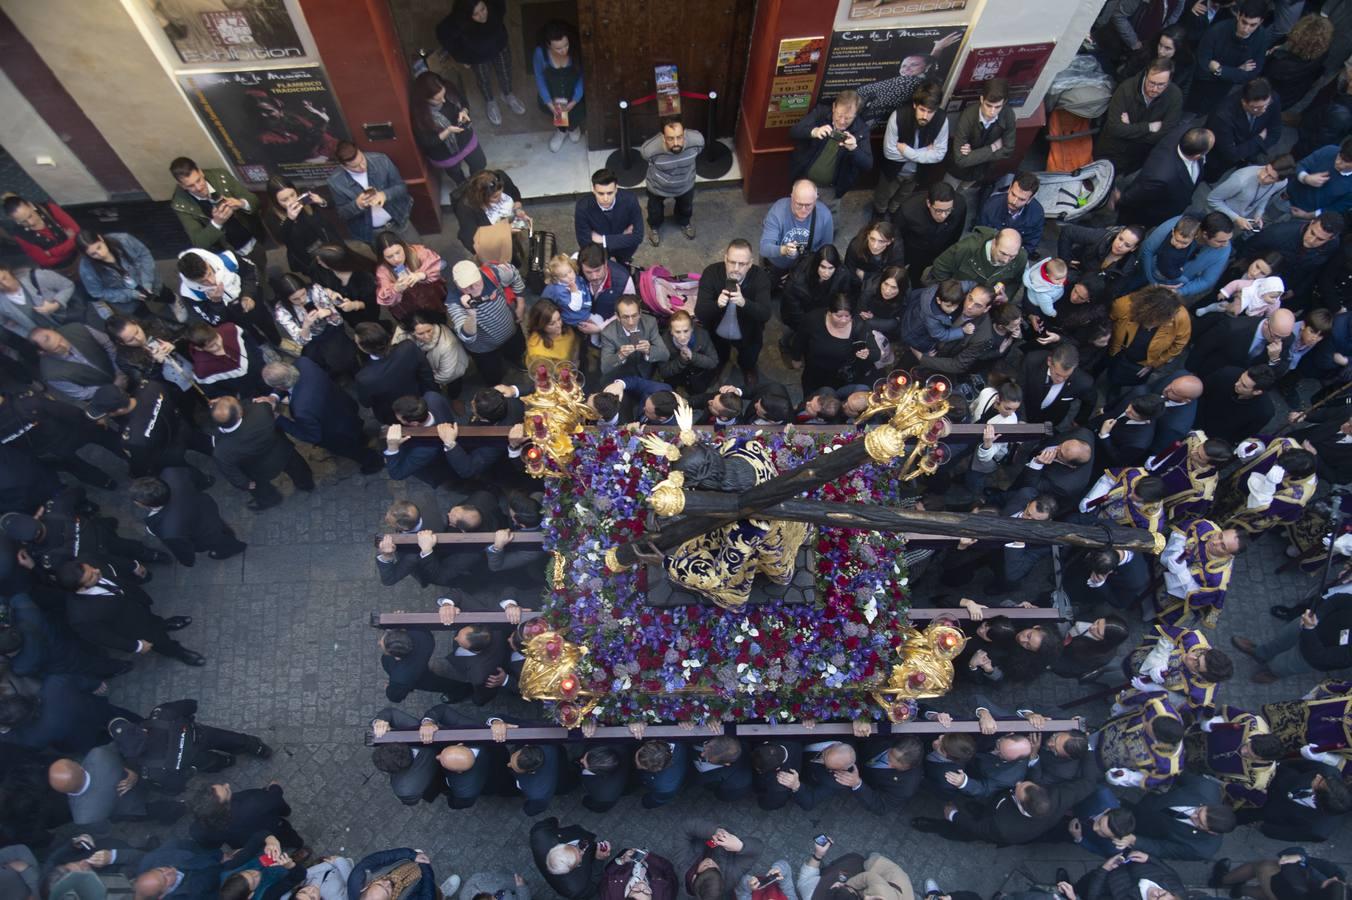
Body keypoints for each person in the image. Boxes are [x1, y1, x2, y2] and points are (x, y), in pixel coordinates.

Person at [57, 558, 204, 666]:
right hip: (134, 627)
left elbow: (110, 559)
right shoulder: (80, 617)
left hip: (136, 603)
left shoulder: (90, 566)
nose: (97, 571)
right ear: (80, 588)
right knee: (159, 640)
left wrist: (133, 565)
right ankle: (177, 651)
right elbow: (104, 637)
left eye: (91, 568)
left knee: (153, 619)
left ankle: (163, 624)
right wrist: (136, 646)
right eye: (91, 576)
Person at [208, 395, 314, 511]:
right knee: (298, 468)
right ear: (240, 413)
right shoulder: (261, 410)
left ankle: (271, 499)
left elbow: (229, 471)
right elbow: (259, 405)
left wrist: (245, 483)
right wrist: (224, 404)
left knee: (259, 489)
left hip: (258, 471)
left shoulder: (220, 450)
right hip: (282, 452)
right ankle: (306, 484)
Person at [168, 157, 267, 279]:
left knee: (261, 270)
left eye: (199, 180)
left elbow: (255, 202)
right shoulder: (181, 205)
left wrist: (241, 203)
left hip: (251, 241)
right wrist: (216, 223)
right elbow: (199, 242)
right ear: (182, 186)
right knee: (245, 280)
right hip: (227, 254)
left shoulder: (221, 176)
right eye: (191, 186)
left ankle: (265, 285)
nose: (198, 188)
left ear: (201, 172)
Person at [694, 239, 772, 384]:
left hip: (748, 333)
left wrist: (744, 303)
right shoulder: (711, 273)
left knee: (748, 357)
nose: (735, 268)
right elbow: (700, 312)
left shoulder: (760, 277)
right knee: (719, 353)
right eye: (731, 262)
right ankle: (721, 363)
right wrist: (717, 304)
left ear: (750, 264)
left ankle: (748, 368)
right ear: (725, 259)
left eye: (742, 264)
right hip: (717, 331)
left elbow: (765, 314)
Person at [437, 0, 525, 126]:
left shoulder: (494, 6)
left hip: (499, 45)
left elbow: (501, 8)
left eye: (483, 9)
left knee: (506, 72)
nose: (482, 15)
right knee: (483, 79)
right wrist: (461, 57)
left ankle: (507, 94)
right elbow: (443, 34)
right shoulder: (458, 21)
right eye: (476, 14)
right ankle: (490, 101)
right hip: (477, 56)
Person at [131, 470, 247, 566]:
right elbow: (195, 478)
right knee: (221, 528)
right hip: (206, 508)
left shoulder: (167, 530)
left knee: (220, 541)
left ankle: (234, 547)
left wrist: (187, 561)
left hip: (204, 534)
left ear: (143, 504)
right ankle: (229, 537)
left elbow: (182, 548)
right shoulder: (172, 474)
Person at [1095, 58, 1185, 178]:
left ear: (1169, 82)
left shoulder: (1175, 96)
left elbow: (1164, 134)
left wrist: (1129, 128)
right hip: (1112, 151)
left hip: (1136, 157)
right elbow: (1114, 128)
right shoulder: (1126, 89)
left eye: (1161, 85)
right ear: (1145, 75)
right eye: (1151, 83)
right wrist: (1148, 127)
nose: (1154, 89)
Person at [177, 247, 279, 347]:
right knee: (247, 336)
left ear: (206, 262)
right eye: (203, 281)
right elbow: (213, 321)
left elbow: (250, 273)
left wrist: (248, 294)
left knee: (266, 321)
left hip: (253, 301)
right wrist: (216, 303)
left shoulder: (229, 259)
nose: (212, 282)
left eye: (209, 274)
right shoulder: (190, 294)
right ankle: (261, 346)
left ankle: (278, 341)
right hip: (231, 318)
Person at [788, 89, 873, 210]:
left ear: (855, 115)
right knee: (798, 213)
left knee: (827, 222)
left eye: (848, 118)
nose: (842, 121)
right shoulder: (821, 113)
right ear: (834, 107)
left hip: (831, 190)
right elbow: (794, 131)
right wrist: (814, 131)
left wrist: (854, 149)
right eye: (839, 115)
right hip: (804, 180)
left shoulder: (861, 130)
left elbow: (868, 164)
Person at [446, 259, 527, 385]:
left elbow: (514, 274)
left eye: (476, 282)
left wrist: (521, 304)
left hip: (510, 330)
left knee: (517, 351)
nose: (473, 288)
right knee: (493, 376)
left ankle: (515, 358)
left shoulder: (493, 274)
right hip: (484, 348)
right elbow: (467, 337)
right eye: (466, 285)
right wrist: (471, 312)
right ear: (457, 284)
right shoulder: (454, 301)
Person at [874, 81, 948, 216]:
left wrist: (909, 151)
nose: (925, 116)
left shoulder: (942, 120)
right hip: (893, 171)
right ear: (915, 105)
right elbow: (889, 152)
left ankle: (892, 212)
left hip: (916, 173)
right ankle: (879, 215)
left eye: (930, 112)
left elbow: (940, 154)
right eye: (922, 110)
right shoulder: (898, 116)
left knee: (902, 197)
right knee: (883, 197)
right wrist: (926, 152)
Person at [1116, 127, 1215, 228]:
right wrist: (1122, 200)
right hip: (1154, 212)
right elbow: (1138, 194)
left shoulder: (1186, 136)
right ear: (1197, 156)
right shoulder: (1160, 176)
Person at [1188, 0, 1273, 114]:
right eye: (1244, 22)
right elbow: (1203, 64)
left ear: (1261, 22)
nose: (1246, 28)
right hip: (1201, 86)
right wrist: (1238, 71)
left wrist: (1219, 70)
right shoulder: (1217, 31)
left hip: (1222, 89)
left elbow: (1251, 73)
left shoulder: (1262, 37)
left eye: (1253, 25)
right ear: (1238, 15)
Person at [1107, 287, 1191, 396]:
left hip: (1142, 361)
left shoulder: (1180, 317)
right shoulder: (1125, 305)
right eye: (1152, 319)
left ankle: (1115, 387)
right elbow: (1108, 319)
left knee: (1127, 380)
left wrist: (1155, 363)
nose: (1153, 325)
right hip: (1115, 348)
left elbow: (1179, 344)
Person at [272, 272, 358, 377]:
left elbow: (338, 321)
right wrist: (306, 325)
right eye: (295, 299)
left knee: (344, 357)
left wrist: (329, 312)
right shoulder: (281, 310)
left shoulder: (315, 290)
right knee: (318, 364)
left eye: (303, 294)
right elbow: (301, 341)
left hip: (330, 329)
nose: (302, 300)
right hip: (312, 339)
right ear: (286, 299)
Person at [945, 78, 1017, 203]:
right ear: (982, 99)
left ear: (1004, 103)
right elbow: (960, 160)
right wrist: (992, 148)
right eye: (989, 105)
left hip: (980, 170)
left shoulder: (1008, 114)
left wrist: (972, 154)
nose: (992, 111)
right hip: (957, 170)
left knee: (961, 193)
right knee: (946, 194)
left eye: (997, 107)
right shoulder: (969, 116)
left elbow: (1009, 150)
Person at [327, 142, 415, 244]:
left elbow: (401, 187)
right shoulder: (336, 182)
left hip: (399, 219)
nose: (362, 167)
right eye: (355, 166)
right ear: (343, 166)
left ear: (360, 151)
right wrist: (358, 205)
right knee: (389, 258)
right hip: (373, 232)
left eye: (362, 160)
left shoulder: (381, 160)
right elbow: (342, 213)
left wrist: (384, 195)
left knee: (422, 252)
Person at [1244, 212, 1344, 302]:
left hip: (1286, 289)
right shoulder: (1279, 233)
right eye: (1312, 233)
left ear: (1332, 238)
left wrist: (1295, 290)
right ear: (1311, 223)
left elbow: (1316, 269)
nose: (1311, 240)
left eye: (1320, 239)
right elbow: (1248, 249)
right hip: (1255, 278)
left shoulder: (1332, 246)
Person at [409, 70, 485, 187]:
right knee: (458, 176)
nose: (444, 101)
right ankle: (466, 189)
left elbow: (463, 102)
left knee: (479, 164)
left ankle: (476, 186)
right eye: (437, 100)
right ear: (424, 98)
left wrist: (464, 111)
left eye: (443, 95)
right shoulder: (419, 114)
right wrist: (448, 131)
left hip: (465, 139)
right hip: (444, 152)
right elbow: (427, 142)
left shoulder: (449, 88)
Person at [796, 293, 880, 396]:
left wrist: (867, 353)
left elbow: (876, 354)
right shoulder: (813, 319)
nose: (844, 320)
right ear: (830, 312)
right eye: (839, 316)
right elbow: (800, 338)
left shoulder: (859, 326)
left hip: (839, 376)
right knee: (809, 395)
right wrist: (796, 357)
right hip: (814, 371)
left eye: (847, 316)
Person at [1137, 212, 1234, 300]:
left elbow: (1207, 280)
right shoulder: (1181, 225)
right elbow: (1148, 249)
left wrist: (1178, 291)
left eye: (1228, 239)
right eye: (1220, 241)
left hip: (1172, 289)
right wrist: (1152, 281)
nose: (1226, 244)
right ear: (1205, 234)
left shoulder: (1224, 249)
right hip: (1147, 271)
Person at [354, 323, 437, 425]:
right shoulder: (408, 346)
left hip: (392, 413)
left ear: (363, 348)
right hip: (419, 396)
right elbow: (426, 372)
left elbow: (366, 403)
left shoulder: (364, 378)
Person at [76, 231, 168, 320]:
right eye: (93, 254)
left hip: (144, 277)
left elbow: (144, 255)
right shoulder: (86, 269)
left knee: (163, 294)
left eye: (99, 247)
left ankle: (172, 301)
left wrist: (147, 281)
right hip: (122, 295)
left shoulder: (123, 240)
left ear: (100, 238)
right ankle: (156, 323)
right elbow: (98, 292)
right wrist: (129, 294)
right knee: (144, 315)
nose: (100, 254)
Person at [1204, 77, 1283, 181]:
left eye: (1265, 105)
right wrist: (1258, 140)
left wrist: (1248, 152)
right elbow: (1230, 154)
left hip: (1246, 153)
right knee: (1211, 176)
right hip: (1220, 158)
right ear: (1244, 102)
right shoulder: (1223, 117)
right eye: (1256, 108)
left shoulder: (1273, 100)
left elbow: (1275, 132)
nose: (1263, 110)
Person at [641, 119, 704, 245]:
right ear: (663, 138)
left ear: (684, 135)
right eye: (670, 138)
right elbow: (649, 161)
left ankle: (684, 222)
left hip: (685, 185)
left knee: (686, 208)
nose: (676, 143)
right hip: (657, 187)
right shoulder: (649, 150)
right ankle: (654, 227)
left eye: (679, 137)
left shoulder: (697, 142)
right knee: (655, 211)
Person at [760, 180, 835, 284]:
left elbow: (826, 249)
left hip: (805, 266)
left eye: (808, 205)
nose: (803, 210)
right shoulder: (778, 212)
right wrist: (784, 250)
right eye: (799, 204)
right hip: (777, 265)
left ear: (816, 199)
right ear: (791, 197)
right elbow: (764, 248)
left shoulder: (824, 215)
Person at [264, 176, 340, 277]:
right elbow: (281, 239)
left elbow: (331, 204)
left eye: (293, 194)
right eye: (284, 200)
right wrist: (289, 220)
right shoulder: (271, 215)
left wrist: (321, 201)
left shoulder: (304, 198)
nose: (291, 201)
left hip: (328, 243)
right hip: (307, 256)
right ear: (276, 201)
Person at [30, 324, 122, 406]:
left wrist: (119, 370)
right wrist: (113, 388)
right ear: (43, 353)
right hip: (109, 396)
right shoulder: (51, 375)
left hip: (122, 369)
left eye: (61, 339)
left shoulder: (78, 329)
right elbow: (81, 393)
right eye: (57, 347)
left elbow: (108, 345)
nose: (64, 345)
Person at [898, 182, 967, 288]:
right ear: (929, 203)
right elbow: (898, 235)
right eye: (938, 211)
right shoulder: (908, 210)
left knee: (924, 270)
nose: (944, 216)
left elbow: (957, 232)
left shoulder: (960, 205)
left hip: (939, 249)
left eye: (948, 210)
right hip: (914, 250)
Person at [454, 169, 530, 265]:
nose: (500, 198)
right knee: (505, 263)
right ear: (481, 196)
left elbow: (513, 191)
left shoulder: (500, 178)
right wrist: (505, 231)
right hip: (492, 247)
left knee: (513, 252)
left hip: (507, 227)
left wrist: (517, 207)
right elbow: (471, 241)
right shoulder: (466, 208)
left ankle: (514, 259)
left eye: (501, 193)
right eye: (495, 197)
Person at [1206, 156, 1294, 233]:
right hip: (1216, 216)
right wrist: (1237, 218)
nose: (1263, 176)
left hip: (1237, 220)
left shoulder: (1282, 183)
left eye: (1270, 177)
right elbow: (1212, 199)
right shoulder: (1240, 180)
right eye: (1266, 169)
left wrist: (1259, 213)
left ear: (1278, 180)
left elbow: (1266, 195)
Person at [373, 234, 447, 327]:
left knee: (440, 318)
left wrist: (422, 275)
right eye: (389, 256)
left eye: (398, 252)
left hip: (432, 297)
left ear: (403, 246)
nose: (396, 259)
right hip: (409, 308)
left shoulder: (418, 252)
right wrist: (395, 289)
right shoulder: (383, 270)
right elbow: (384, 297)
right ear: (383, 257)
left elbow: (438, 264)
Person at [393, 311, 471, 399]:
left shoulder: (447, 345)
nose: (426, 336)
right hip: (427, 368)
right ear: (411, 332)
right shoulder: (403, 331)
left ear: (433, 325)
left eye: (429, 330)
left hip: (453, 369)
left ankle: (455, 399)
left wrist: (422, 379)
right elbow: (396, 347)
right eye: (420, 334)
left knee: (454, 384)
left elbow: (446, 375)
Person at [574, 168, 644, 266]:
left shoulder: (630, 200)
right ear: (593, 190)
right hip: (600, 252)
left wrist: (603, 239)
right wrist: (623, 235)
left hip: (625, 250)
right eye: (601, 193)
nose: (606, 198)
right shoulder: (583, 207)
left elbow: (638, 237)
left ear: (616, 189)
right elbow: (585, 243)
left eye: (610, 193)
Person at [534, 20, 585, 152]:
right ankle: (562, 130)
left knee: (575, 113)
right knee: (559, 112)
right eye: (558, 48)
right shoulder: (541, 53)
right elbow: (540, 78)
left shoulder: (576, 49)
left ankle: (573, 127)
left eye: (566, 45)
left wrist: (575, 99)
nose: (563, 50)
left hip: (572, 91)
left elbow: (583, 76)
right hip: (554, 92)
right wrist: (549, 103)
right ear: (548, 45)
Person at [186, 321, 268, 400]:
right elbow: (214, 392)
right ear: (199, 349)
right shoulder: (203, 370)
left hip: (263, 372)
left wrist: (259, 358)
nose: (219, 345)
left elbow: (250, 341)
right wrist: (235, 396)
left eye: (217, 338)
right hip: (249, 393)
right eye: (211, 346)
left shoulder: (231, 330)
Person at [0, 262, 86, 338]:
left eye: (4, 278)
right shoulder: (2, 303)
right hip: (48, 338)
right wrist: (29, 335)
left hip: (69, 321)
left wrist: (56, 304)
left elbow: (68, 285)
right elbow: (5, 323)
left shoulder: (36, 276)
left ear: (7, 270)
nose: (5, 284)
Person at [531, 817, 608, 900]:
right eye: (579, 858)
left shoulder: (540, 835)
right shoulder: (577, 889)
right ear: (570, 869)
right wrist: (599, 859)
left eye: (573, 848)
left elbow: (548, 823)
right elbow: (593, 886)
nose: (582, 851)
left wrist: (555, 821)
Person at [927, 226, 1026, 287]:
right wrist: (949, 291)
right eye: (1003, 253)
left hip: (987, 301)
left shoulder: (1021, 257)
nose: (1006, 260)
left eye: (1012, 256)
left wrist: (1005, 298)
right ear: (994, 243)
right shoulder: (966, 248)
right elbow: (940, 267)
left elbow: (1015, 283)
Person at [2, 193, 79, 269]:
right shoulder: (20, 235)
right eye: (23, 221)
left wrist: (52, 253)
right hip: (63, 269)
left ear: (31, 206)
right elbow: (44, 261)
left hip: (79, 255)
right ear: (14, 220)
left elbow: (78, 233)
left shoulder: (49, 209)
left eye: (30, 216)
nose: (31, 223)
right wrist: (70, 242)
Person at [311, 243, 380, 327]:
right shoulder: (320, 269)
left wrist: (354, 305)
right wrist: (328, 292)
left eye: (321, 261)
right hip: (341, 312)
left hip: (364, 313)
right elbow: (316, 285)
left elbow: (372, 303)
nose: (318, 262)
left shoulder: (364, 277)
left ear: (334, 264)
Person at [976, 173, 1045, 254]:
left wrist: (1016, 257)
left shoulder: (1037, 214)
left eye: (1021, 199)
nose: (1014, 202)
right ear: (1009, 188)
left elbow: (1031, 244)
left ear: (1029, 200)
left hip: (1016, 254)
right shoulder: (991, 206)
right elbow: (981, 234)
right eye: (1013, 194)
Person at [1287, 138, 1352, 219]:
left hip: (1305, 213)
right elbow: (1300, 165)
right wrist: (1306, 178)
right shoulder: (1329, 150)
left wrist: (1306, 216)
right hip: (1287, 196)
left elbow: (1335, 209)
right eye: (1340, 156)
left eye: (1345, 161)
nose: (1338, 162)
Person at [346, 848, 443, 900]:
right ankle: (442, 893)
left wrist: (412, 855)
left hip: (406, 865)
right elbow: (428, 896)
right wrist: (425, 866)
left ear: (366, 887)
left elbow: (380, 857)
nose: (387, 883)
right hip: (421, 884)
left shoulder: (356, 877)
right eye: (387, 891)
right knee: (435, 892)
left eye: (380, 884)